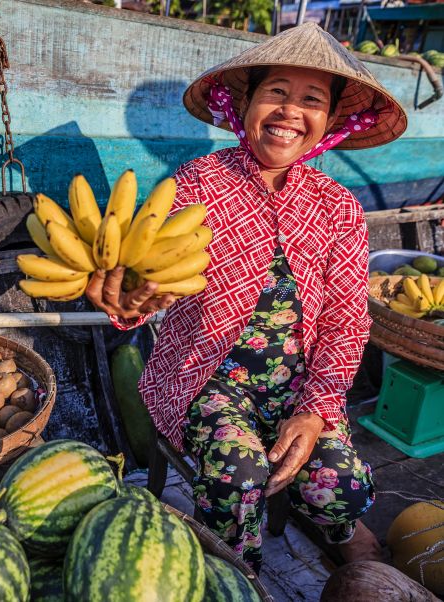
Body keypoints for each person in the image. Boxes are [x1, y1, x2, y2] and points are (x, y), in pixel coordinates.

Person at [86, 22, 407, 572]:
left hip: (298, 385)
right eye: (276, 92)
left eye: (311, 100)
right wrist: (127, 299)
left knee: (345, 488)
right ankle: (236, 568)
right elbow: (150, 279)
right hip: (203, 379)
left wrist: (314, 411)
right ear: (247, 104)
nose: (289, 111)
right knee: (240, 475)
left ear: (328, 122)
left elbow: (347, 324)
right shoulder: (195, 186)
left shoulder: (339, 207)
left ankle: (341, 529)